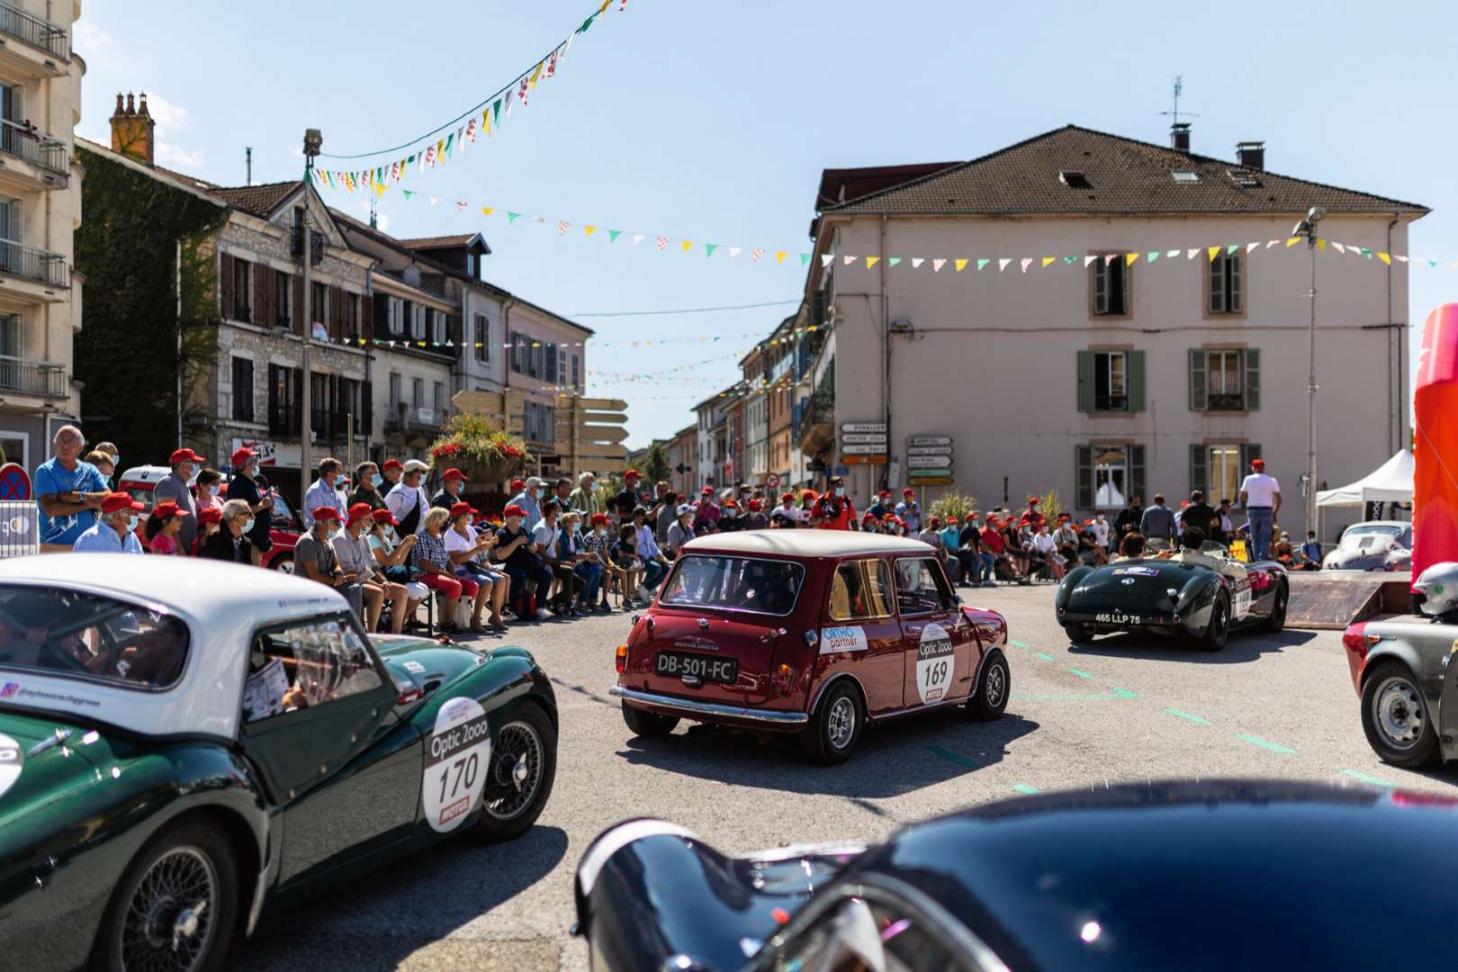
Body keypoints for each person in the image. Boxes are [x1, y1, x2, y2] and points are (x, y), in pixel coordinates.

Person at [335, 503, 407, 633]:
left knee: (402, 592)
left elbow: (374, 566)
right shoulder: (341, 539)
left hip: (365, 580)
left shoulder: (363, 538)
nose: (372, 523)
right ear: (357, 521)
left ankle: (397, 633)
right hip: (350, 583)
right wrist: (376, 584)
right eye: (369, 520)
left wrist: (383, 580)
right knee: (377, 592)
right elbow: (351, 573)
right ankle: (372, 634)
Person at [36, 425, 110, 551]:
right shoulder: (45, 471)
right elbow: (51, 508)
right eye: (61, 442)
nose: (65, 446)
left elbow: (108, 499)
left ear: (80, 448)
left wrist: (75, 497)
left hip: (88, 545)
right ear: (55, 445)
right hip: (55, 546)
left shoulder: (91, 471)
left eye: (70, 442)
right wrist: (90, 504)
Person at [413, 507, 477, 634]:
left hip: (440, 574)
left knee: (472, 586)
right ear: (435, 521)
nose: (446, 524)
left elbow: (447, 559)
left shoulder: (439, 537)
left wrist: (453, 574)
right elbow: (424, 563)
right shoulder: (422, 538)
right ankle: (446, 623)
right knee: (455, 586)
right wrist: (446, 575)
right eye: (444, 521)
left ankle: (463, 618)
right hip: (425, 574)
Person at [440, 502, 501, 631]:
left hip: (473, 567)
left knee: (501, 579)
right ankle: (475, 620)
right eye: (468, 514)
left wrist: (490, 542)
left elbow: (480, 545)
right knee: (487, 582)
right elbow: (456, 561)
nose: (469, 517)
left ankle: (496, 617)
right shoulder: (450, 536)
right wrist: (477, 549)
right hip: (460, 571)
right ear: (461, 516)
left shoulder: (469, 528)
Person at [295, 507, 365, 618]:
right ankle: (349, 628)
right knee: (352, 589)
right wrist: (335, 580)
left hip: (326, 586)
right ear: (324, 522)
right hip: (310, 590)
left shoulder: (327, 540)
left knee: (355, 588)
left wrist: (338, 574)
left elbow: (336, 563)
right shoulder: (307, 541)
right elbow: (314, 576)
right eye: (336, 522)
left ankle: (352, 628)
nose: (339, 526)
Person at [493, 504, 553, 621]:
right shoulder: (501, 533)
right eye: (519, 516)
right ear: (510, 518)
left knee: (546, 576)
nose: (521, 519)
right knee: (519, 576)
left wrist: (530, 545)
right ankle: (509, 609)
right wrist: (516, 542)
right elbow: (500, 555)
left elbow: (534, 549)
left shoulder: (522, 531)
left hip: (526, 564)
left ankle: (539, 607)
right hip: (508, 565)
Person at [225, 447, 274, 565]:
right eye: (252, 460)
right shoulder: (237, 485)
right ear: (244, 465)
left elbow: (256, 505)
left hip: (258, 541)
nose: (255, 463)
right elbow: (240, 511)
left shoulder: (251, 483)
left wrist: (268, 508)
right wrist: (263, 505)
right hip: (249, 542)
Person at [72, 492, 145, 553]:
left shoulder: (132, 537)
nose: (137, 515)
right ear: (117, 516)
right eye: (133, 512)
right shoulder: (89, 540)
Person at [1239, 458, 1282, 561]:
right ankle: (1263, 559)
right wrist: (1275, 512)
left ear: (1253, 468)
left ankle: (1257, 560)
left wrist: (1250, 495)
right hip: (1267, 510)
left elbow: (1242, 497)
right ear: (1263, 468)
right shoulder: (1272, 480)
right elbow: (1279, 499)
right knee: (1265, 537)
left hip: (1253, 510)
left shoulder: (1248, 479)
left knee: (1254, 537)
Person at [564, 512, 602, 612]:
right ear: (568, 522)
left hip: (580, 560)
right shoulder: (563, 534)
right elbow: (566, 555)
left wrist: (588, 557)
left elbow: (581, 550)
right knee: (590, 573)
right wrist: (585, 557)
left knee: (597, 571)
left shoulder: (577, 533)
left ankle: (591, 600)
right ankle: (581, 601)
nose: (579, 521)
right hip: (569, 562)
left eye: (579, 519)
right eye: (576, 520)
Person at [632, 506, 671, 601]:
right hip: (638, 558)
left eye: (642, 516)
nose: (641, 518)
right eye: (639, 516)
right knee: (656, 568)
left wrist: (662, 556)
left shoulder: (646, 529)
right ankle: (645, 588)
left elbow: (653, 545)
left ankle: (645, 588)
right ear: (635, 517)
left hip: (650, 557)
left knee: (668, 570)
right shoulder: (631, 529)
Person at [582, 513, 619, 611]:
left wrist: (610, 563)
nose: (605, 526)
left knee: (615, 571)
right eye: (603, 523)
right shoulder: (589, 537)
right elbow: (591, 555)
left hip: (601, 563)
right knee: (603, 572)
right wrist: (604, 565)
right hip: (590, 563)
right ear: (597, 524)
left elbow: (605, 552)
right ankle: (591, 600)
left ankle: (604, 601)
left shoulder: (603, 535)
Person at [385, 459, 431, 536]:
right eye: (418, 476)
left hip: (420, 538)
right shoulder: (397, 493)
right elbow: (386, 517)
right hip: (402, 540)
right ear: (408, 476)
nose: (421, 478)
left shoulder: (420, 489)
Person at [302, 458, 346, 530]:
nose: (342, 475)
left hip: (333, 534)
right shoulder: (316, 491)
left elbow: (339, 515)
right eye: (339, 471)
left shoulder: (334, 490)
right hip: (319, 537)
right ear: (329, 474)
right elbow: (318, 518)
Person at [611, 523, 643, 607]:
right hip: (615, 565)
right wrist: (632, 556)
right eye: (633, 533)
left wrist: (635, 545)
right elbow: (620, 555)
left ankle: (627, 597)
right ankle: (627, 597)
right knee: (628, 561)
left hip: (626, 566)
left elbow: (635, 555)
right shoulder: (619, 543)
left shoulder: (630, 544)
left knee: (632, 566)